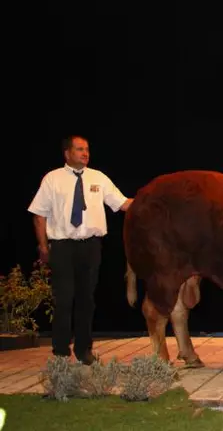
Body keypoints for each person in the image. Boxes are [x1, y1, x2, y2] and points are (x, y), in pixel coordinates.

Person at [28, 135, 132, 364]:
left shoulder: (99, 178)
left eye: (87, 149)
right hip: (63, 247)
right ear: (67, 153)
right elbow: (39, 214)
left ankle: (84, 350)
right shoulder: (52, 179)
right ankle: (61, 352)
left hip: (91, 247)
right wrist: (44, 246)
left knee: (87, 300)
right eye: (79, 149)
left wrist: (150, 200)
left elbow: (122, 203)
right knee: (64, 299)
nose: (85, 153)